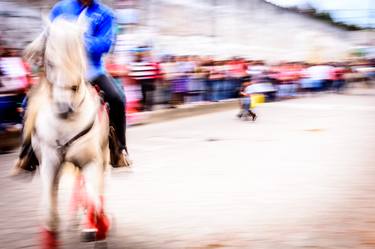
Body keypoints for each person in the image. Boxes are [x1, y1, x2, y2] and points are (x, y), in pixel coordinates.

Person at [14, 0, 131, 173]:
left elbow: (105, 45)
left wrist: (75, 38)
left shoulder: (105, 14)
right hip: (59, 73)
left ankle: (119, 150)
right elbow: (47, 36)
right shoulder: (60, 8)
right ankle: (27, 152)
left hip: (92, 72)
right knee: (28, 102)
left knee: (118, 99)